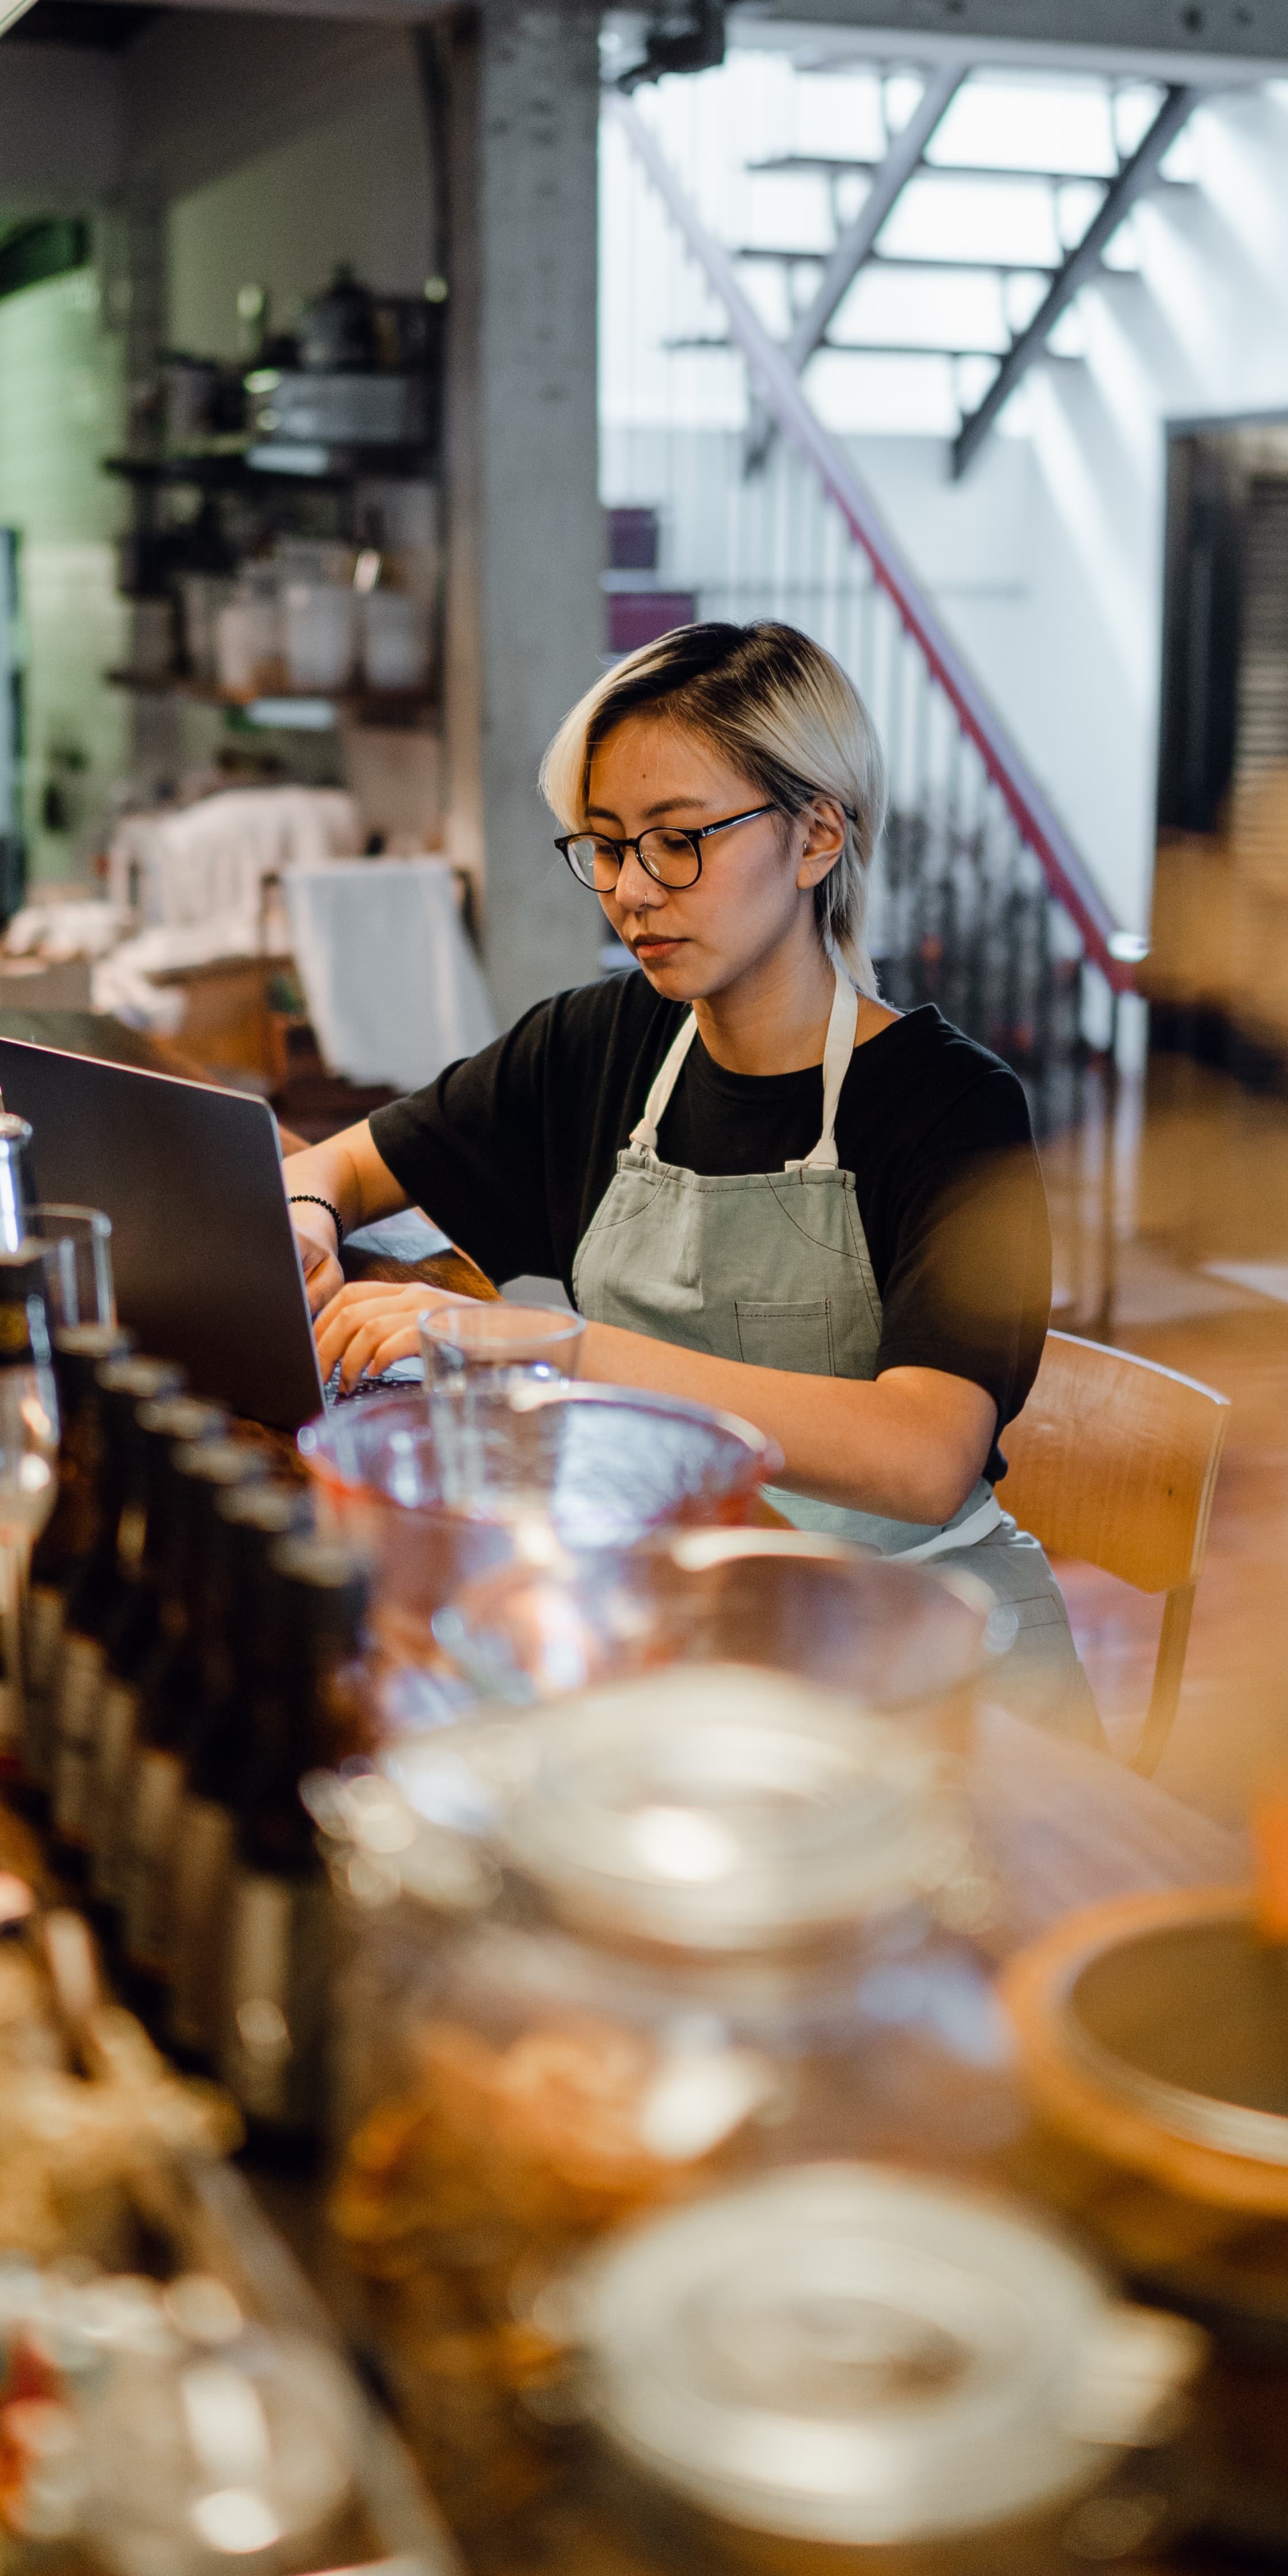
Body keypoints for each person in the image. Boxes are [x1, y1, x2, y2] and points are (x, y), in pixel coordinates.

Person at [287, 621, 1103, 1741]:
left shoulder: (953, 1107)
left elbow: (922, 1455)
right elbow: (351, 1159)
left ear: (818, 834)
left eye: (678, 841)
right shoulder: (598, 1043)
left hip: (929, 1654)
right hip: (698, 1623)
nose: (630, 890)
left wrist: (549, 1352)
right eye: (607, 845)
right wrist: (305, 1212)